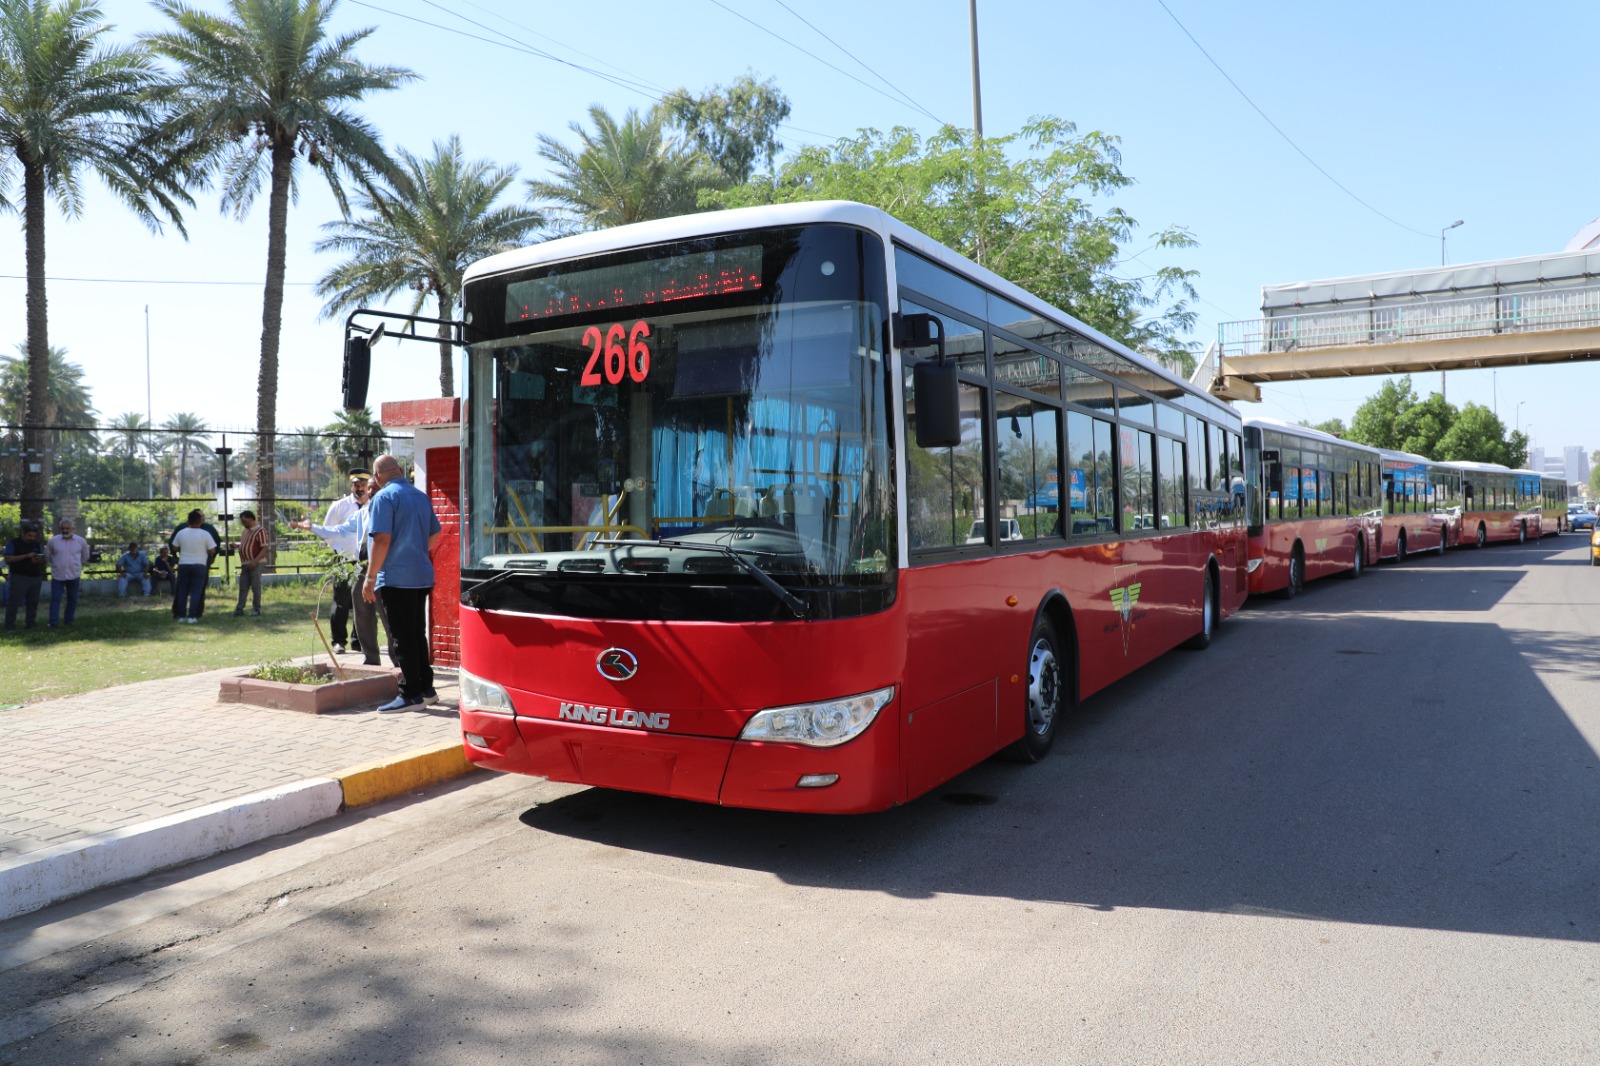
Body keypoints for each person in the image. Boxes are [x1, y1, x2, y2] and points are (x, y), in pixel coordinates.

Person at [363, 454, 440, 712]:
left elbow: (381, 539)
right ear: (400, 471)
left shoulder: (383, 497)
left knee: (402, 637)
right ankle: (426, 689)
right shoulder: (420, 496)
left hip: (396, 578)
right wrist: (415, 551)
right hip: (421, 575)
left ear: (377, 477)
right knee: (417, 634)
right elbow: (435, 533)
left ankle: (410, 694)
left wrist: (370, 577)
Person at [293, 488, 387, 667]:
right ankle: (371, 660)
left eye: (375, 488)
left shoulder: (390, 511)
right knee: (362, 614)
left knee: (387, 615)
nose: (371, 492)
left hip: (385, 568)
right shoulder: (362, 513)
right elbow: (339, 530)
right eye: (370, 489)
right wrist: (313, 527)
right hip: (362, 567)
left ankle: (398, 662)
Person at [320, 470, 372, 654]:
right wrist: (337, 550)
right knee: (341, 601)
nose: (360, 488)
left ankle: (358, 641)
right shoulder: (339, 506)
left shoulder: (374, 505)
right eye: (356, 485)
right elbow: (327, 531)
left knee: (363, 601)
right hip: (343, 559)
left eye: (363, 485)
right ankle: (339, 641)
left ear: (368, 487)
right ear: (351, 486)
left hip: (366, 561)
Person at [169, 513, 222, 619]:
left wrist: (183, 548)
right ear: (200, 521)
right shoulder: (205, 533)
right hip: (199, 564)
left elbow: (174, 547)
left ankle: (181, 616)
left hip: (184, 563)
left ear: (188, 520)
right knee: (196, 591)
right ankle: (192, 616)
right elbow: (212, 550)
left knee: (182, 591)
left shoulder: (181, 532)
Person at [45, 518, 92, 627]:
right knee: (55, 599)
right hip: (58, 575)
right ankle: (53, 622)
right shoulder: (53, 541)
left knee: (72, 599)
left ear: (73, 529)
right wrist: (56, 563)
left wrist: (75, 565)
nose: (65, 530)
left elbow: (85, 556)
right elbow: (47, 555)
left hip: (74, 574)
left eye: (67, 528)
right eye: (63, 528)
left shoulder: (81, 541)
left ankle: (69, 620)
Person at [3, 521, 47, 630]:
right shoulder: (13, 543)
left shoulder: (36, 544)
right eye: (29, 535)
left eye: (34, 536)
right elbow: (8, 559)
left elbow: (42, 560)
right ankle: (9, 625)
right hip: (19, 576)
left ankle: (31, 624)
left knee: (33, 602)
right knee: (14, 602)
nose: (32, 538)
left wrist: (38, 560)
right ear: (22, 533)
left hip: (35, 577)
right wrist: (26, 556)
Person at [233, 509, 270, 616]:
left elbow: (265, 548)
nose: (243, 523)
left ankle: (256, 609)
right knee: (243, 586)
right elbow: (248, 545)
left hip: (256, 562)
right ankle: (239, 609)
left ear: (251, 519)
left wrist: (255, 561)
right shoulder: (245, 531)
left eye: (245, 521)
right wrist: (238, 546)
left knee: (255, 586)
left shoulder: (260, 531)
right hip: (245, 562)